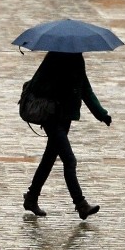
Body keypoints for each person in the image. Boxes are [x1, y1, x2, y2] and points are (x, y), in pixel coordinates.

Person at [22, 52, 112, 219]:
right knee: (69, 160)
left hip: (65, 118)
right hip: (52, 117)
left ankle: (31, 198)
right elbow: (37, 85)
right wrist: (57, 86)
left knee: (49, 158)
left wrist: (102, 114)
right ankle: (81, 204)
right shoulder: (53, 58)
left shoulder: (77, 59)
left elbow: (86, 89)